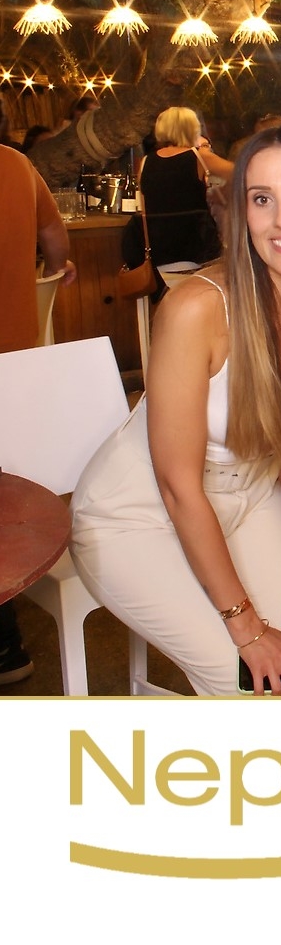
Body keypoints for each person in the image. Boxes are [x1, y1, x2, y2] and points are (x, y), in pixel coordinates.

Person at [71, 123, 281, 695]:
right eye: (262, 199)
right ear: (243, 216)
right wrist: (247, 627)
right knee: (256, 685)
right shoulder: (197, 309)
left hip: (250, 495)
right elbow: (177, 485)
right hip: (139, 517)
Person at [0, 141, 77, 684]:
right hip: (17, 364)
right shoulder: (16, 164)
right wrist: (57, 267)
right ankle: (8, 645)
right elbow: (54, 236)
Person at [132, 107, 234, 288]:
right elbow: (241, 173)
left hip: (160, 251)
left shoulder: (146, 162)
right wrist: (222, 193)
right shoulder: (199, 156)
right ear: (191, 129)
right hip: (198, 250)